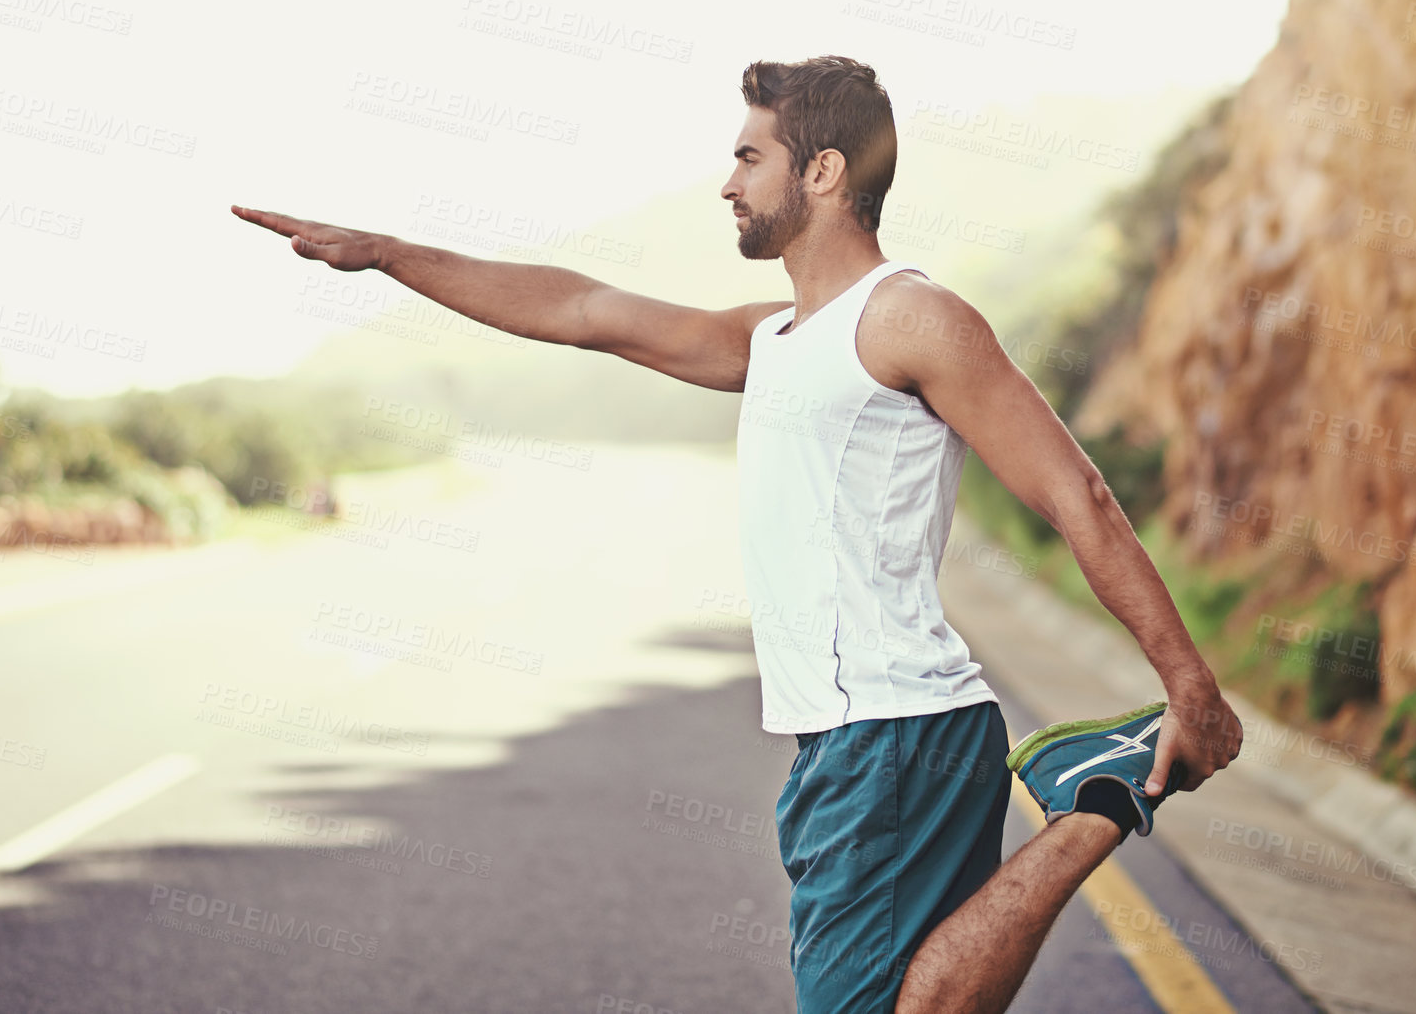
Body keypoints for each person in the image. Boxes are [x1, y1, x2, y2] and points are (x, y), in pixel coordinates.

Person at [231, 53, 1243, 1014]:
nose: (727, 183)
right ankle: (1102, 795)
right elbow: (583, 308)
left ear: (826, 171)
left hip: (891, 729)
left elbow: (1079, 497)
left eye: (750, 157)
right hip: (842, 738)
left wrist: (1189, 689)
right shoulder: (775, 340)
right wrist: (390, 256)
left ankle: (1104, 803)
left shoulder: (912, 320)